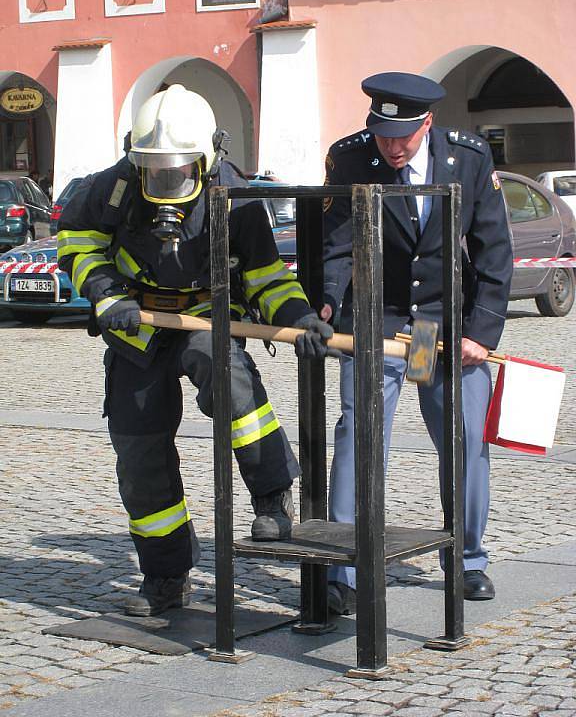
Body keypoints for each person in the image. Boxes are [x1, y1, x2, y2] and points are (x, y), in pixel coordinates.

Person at [57, 84, 333, 617]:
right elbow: (76, 241)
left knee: (224, 372)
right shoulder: (113, 187)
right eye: (155, 169)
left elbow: (264, 276)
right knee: (139, 456)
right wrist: (104, 292)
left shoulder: (238, 200)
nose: (164, 180)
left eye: (177, 170)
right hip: (135, 324)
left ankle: (272, 493)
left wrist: (296, 316)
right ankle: (166, 575)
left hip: (206, 313)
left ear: (207, 158)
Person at [321, 72, 513, 614]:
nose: (391, 147)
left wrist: (480, 331)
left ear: (427, 123)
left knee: (463, 436)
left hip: (436, 328)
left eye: (402, 136)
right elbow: (337, 246)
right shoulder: (352, 158)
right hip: (377, 323)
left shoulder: (468, 159)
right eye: (382, 134)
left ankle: (467, 558)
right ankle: (345, 568)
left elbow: (493, 249)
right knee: (361, 435)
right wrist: (328, 308)